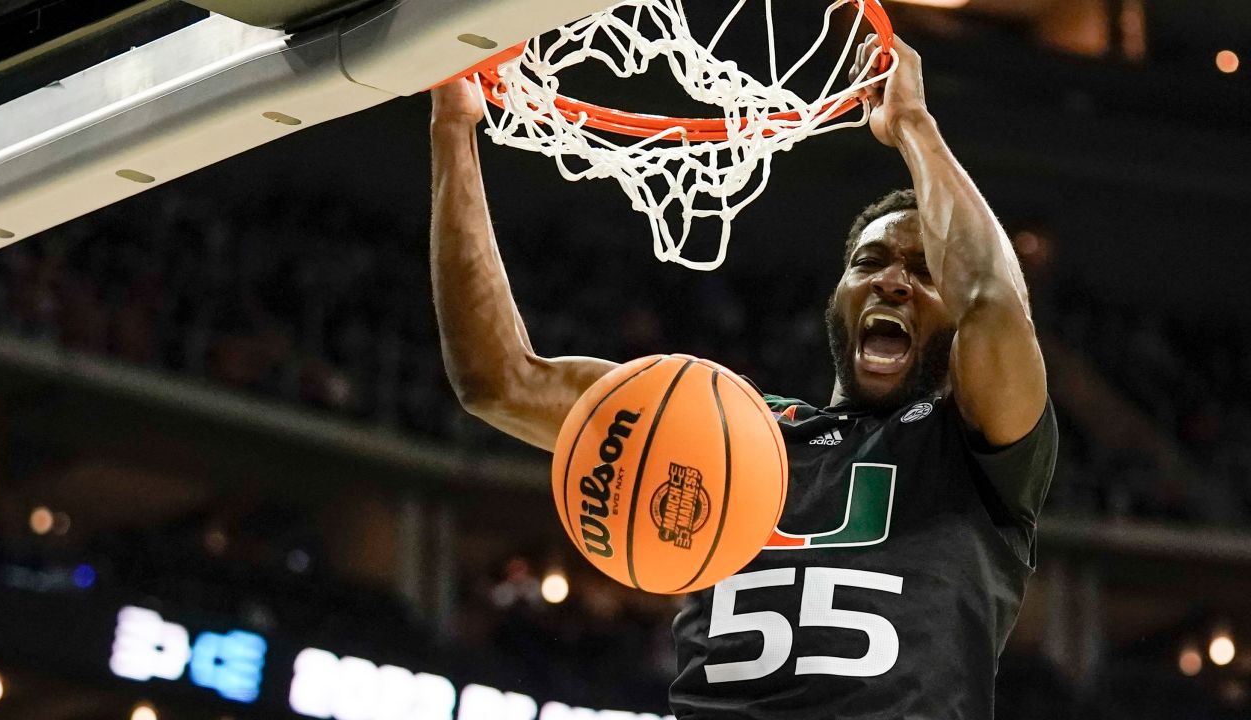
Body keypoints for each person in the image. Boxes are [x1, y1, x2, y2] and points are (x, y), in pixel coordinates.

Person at [430, 34, 1056, 720]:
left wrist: (914, 124)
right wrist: (453, 125)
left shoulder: (979, 448)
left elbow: (993, 302)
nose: (892, 282)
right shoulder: (725, 423)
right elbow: (501, 382)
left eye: (924, 269)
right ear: (838, 297)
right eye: (870, 262)